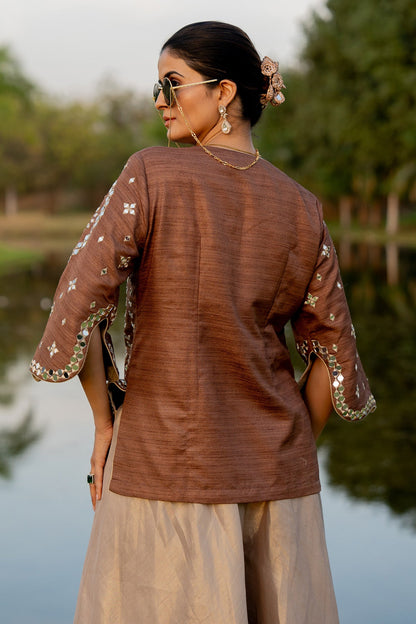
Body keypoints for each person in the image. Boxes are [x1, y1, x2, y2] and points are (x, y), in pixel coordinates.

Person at [31, 21, 375, 624]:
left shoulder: (151, 175)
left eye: (172, 84)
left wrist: (106, 425)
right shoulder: (301, 206)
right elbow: (334, 358)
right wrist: (281, 449)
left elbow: (78, 305)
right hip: (278, 489)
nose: (160, 102)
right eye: (158, 88)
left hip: (163, 470)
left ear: (224, 92)